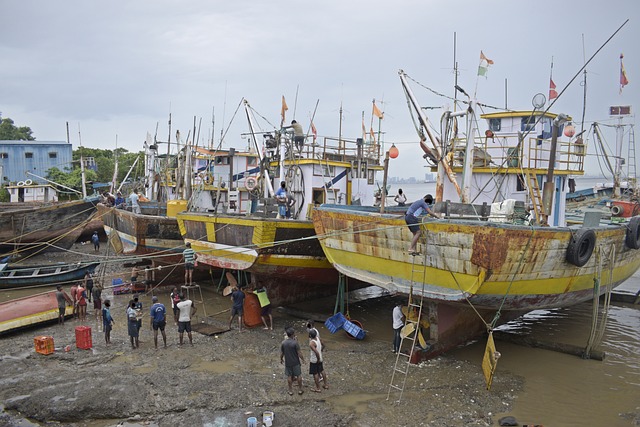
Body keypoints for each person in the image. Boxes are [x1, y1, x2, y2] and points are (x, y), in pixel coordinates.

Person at [280, 327, 305, 395]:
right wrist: (303, 359)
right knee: (298, 375)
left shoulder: (283, 343)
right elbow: (299, 353)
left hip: (288, 362)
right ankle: (300, 389)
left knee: (289, 376)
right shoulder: (295, 343)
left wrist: (281, 359)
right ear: (292, 334)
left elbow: (282, 353)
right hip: (296, 362)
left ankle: (290, 390)